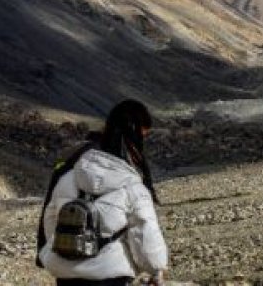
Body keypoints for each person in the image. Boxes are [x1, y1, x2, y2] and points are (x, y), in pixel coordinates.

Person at [37, 100, 169, 286]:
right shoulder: (132, 186)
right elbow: (145, 232)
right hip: (109, 274)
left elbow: (51, 219)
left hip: (65, 275)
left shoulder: (68, 177)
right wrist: (156, 270)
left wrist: (65, 252)